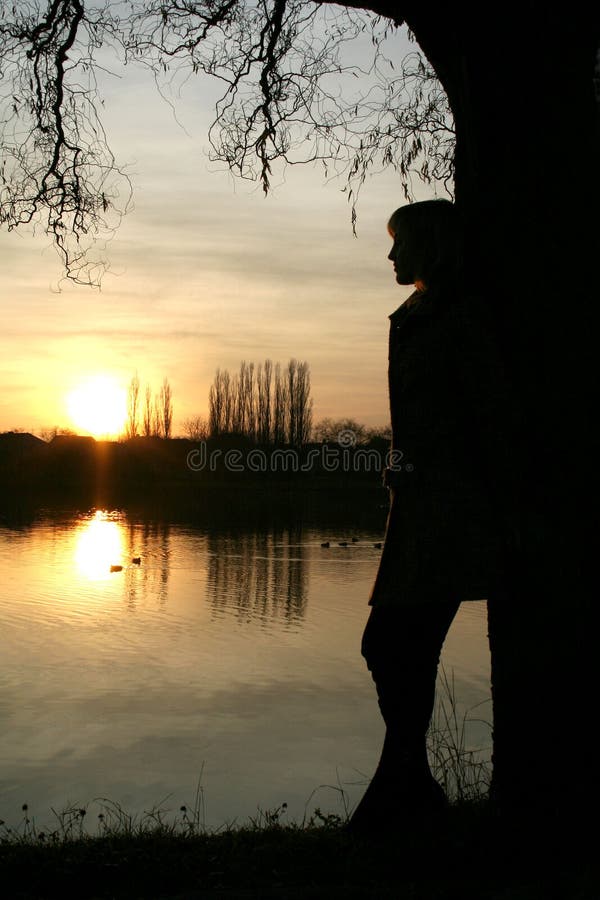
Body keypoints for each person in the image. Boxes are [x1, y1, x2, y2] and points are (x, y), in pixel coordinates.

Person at [349, 199, 514, 832]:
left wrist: (505, 500)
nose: (392, 255)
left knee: (394, 644)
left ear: (432, 246)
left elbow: (491, 415)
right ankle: (411, 786)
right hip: (417, 508)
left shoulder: (458, 316)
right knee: (390, 648)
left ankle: (403, 789)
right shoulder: (417, 314)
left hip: (450, 509)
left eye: (401, 243)